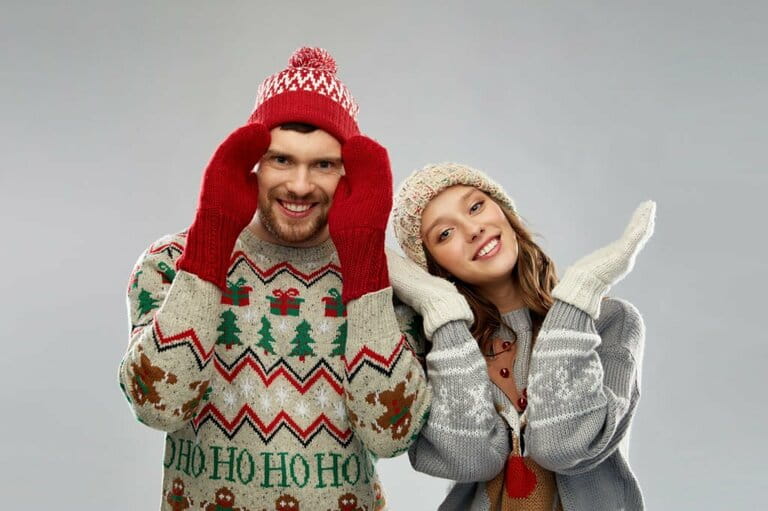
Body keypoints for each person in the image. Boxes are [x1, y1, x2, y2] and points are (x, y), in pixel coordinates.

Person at [118, 47, 441, 511]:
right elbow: (158, 406)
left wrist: (367, 265)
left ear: (348, 172)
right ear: (252, 163)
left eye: (324, 164)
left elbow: (390, 435)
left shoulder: (390, 281)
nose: (300, 184)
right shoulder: (169, 262)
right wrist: (210, 242)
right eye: (281, 160)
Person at [387, 162, 654, 510]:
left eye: (476, 206)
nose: (473, 229)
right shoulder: (440, 350)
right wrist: (442, 310)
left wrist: (581, 291)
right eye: (444, 234)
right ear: (434, 266)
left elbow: (563, 446)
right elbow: (471, 460)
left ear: (506, 213)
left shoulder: (610, 323)